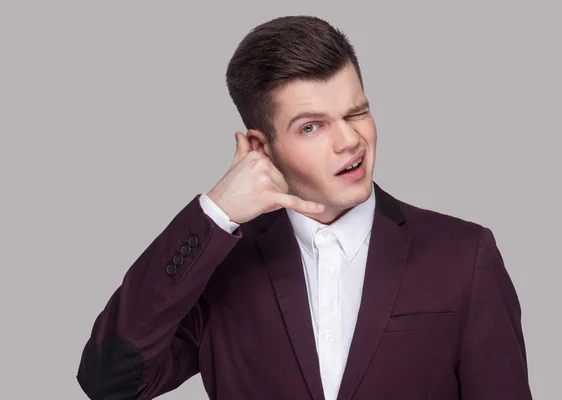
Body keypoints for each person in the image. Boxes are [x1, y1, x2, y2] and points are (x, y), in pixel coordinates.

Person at [76, 15, 532, 400]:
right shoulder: (220, 267)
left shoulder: (464, 254)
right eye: (312, 127)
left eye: (356, 113)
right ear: (261, 147)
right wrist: (215, 213)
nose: (350, 141)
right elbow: (109, 380)